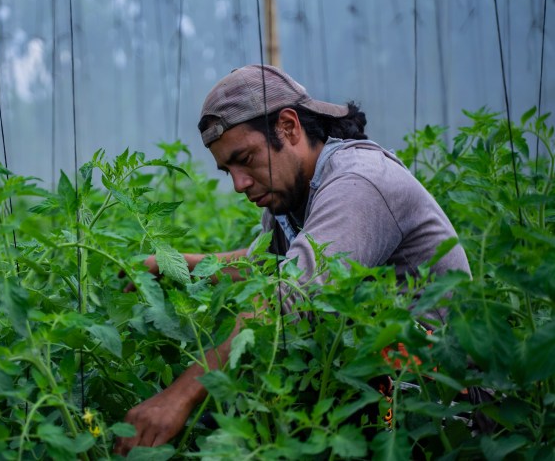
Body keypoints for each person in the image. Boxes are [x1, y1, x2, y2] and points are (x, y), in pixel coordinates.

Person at [114, 64, 471, 454]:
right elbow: (258, 267)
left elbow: (288, 298)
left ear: (288, 127)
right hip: (378, 391)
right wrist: (175, 263)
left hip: (438, 408)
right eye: (227, 170)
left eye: (245, 159)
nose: (238, 184)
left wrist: (179, 396)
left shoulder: (359, 182)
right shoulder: (292, 198)